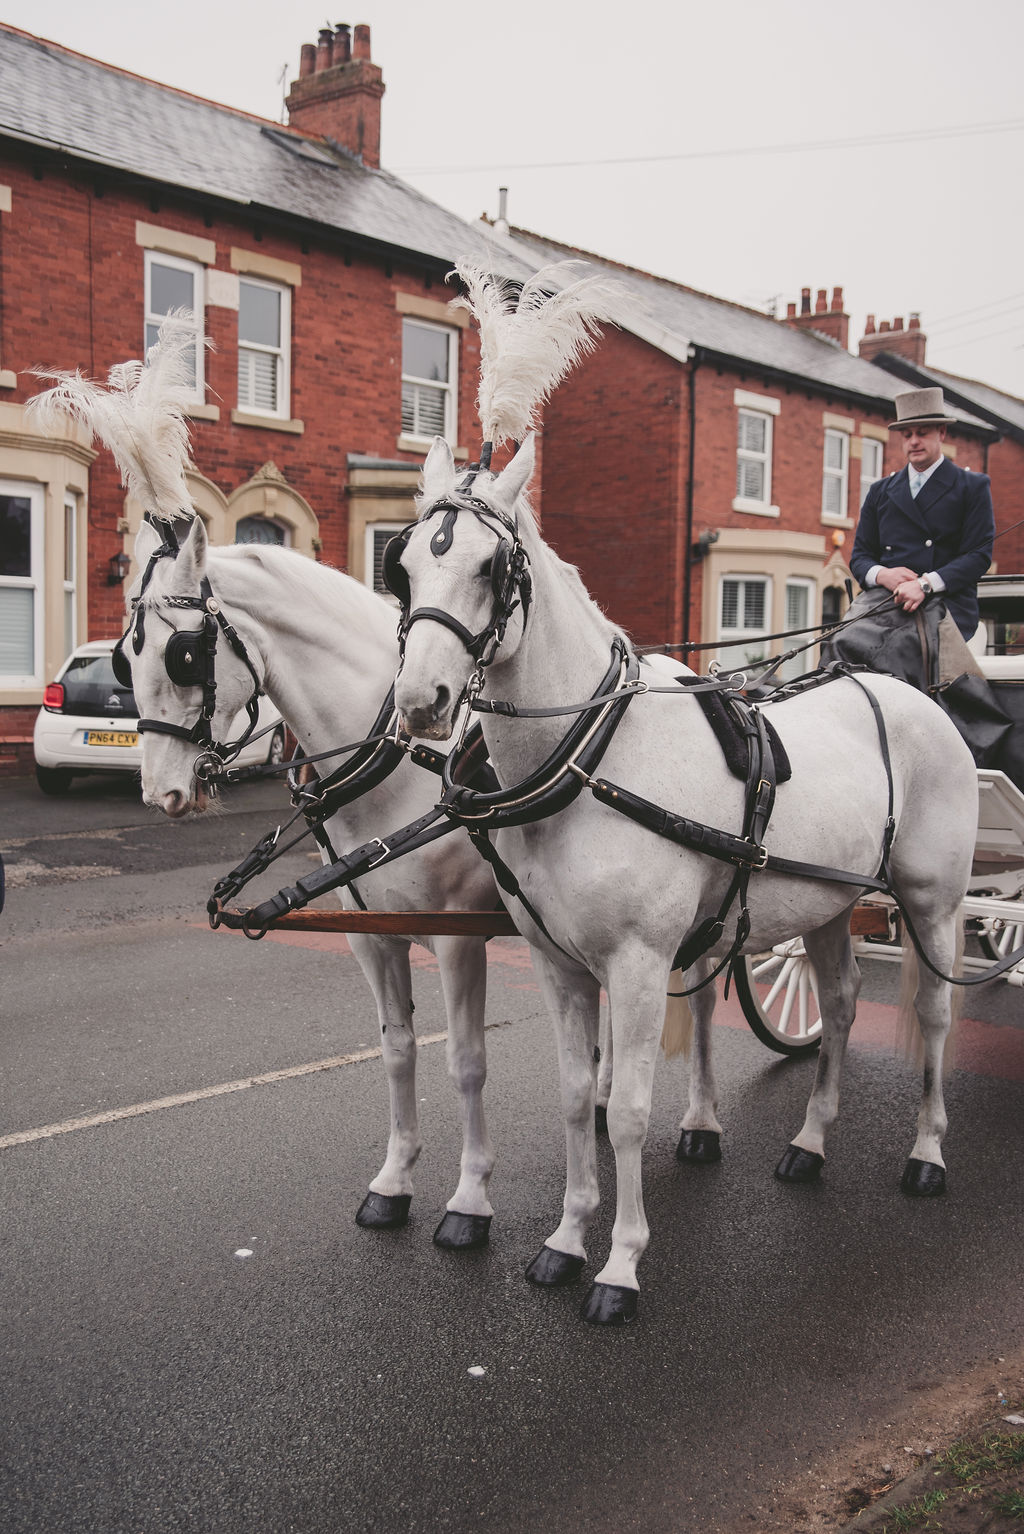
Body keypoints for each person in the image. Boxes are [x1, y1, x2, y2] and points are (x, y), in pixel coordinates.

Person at [849, 386, 995, 639]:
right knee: (839, 643)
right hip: (884, 602)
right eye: (907, 435)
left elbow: (978, 556)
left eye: (922, 433)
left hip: (946, 604)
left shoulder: (972, 487)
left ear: (942, 432)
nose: (914, 441)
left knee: (905, 650)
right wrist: (883, 575)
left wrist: (925, 584)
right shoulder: (880, 491)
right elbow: (860, 557)